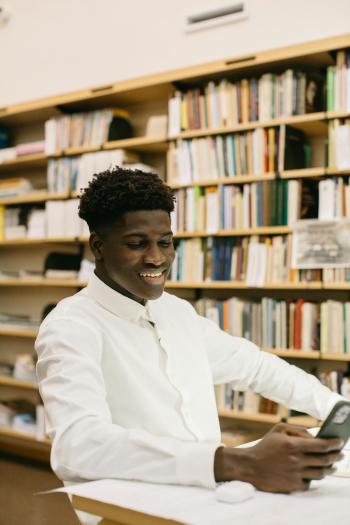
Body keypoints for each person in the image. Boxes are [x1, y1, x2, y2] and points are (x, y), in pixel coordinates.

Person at [35, 167, 344, 499]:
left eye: (165, 242)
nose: (156, 258)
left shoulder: (177, 311)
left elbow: (255, 367)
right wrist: (236, 462)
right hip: (129, 509)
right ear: (98, 246)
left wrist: (335, 407)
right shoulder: (70, 326)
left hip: (209, 496)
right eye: (137, 243)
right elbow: (79, 445)